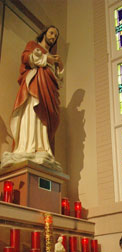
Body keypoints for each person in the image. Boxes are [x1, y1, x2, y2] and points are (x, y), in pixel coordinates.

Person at [1, 25, 63, 171]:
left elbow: (58, 81)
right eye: (51, 33)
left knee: (45, 120)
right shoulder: (32, 45)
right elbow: (25, 58)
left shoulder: (53, 57)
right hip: (35, 86)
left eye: (56, 36)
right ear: (44, 33)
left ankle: (41, 146)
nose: (53, 37)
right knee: (33, 113)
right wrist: (44, 58)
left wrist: (58, 65)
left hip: (47, 90)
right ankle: (29, 147)